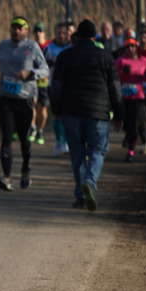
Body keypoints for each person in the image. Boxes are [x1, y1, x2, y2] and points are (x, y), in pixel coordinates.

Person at [50, 19, 121, 209]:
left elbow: (56, 86)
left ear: (78, 37)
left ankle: (81, 195)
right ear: (94, 36)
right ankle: (90, 182)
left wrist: (56, 109)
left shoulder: (65, 56)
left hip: (71, 112)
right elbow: (114, 87)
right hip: (99, 113)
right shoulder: (105, 56)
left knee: (77, 154)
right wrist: (119, 114)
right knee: (98, 150)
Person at [0, 16, 48, 191]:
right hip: (6, 99)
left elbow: (45, 69)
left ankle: (25, 169)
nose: (16, 30)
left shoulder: (32, 47)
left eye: (20, 28)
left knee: (24, 140)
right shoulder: (3, 45)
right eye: (13, 27)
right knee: (6, 138)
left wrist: (30, 73)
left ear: (26, 31)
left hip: (25, 100)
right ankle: (6, 177)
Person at [113, 37, 146, 163]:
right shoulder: (121, 61)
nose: (130, 48)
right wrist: (122, 73)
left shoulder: (144, 61)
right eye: (128, 46)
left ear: (137, 47)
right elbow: (114, 77)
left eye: (133, 46)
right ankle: (129, 138)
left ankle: (131, 151)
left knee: (136, 123)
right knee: (127, 123)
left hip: (139, 97)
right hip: (124, 97)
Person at [43, 21, 74, 152]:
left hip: (69, 86)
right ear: (55, 33)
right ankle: (59, 140)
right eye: (58, 33)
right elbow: (41, 65)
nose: (61, 35)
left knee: (69, 114)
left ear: (68, 34)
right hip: (54, 85)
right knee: (57, 115)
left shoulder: (72, 47)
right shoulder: (49, 48)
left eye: (64, 33)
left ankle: (67, 141)